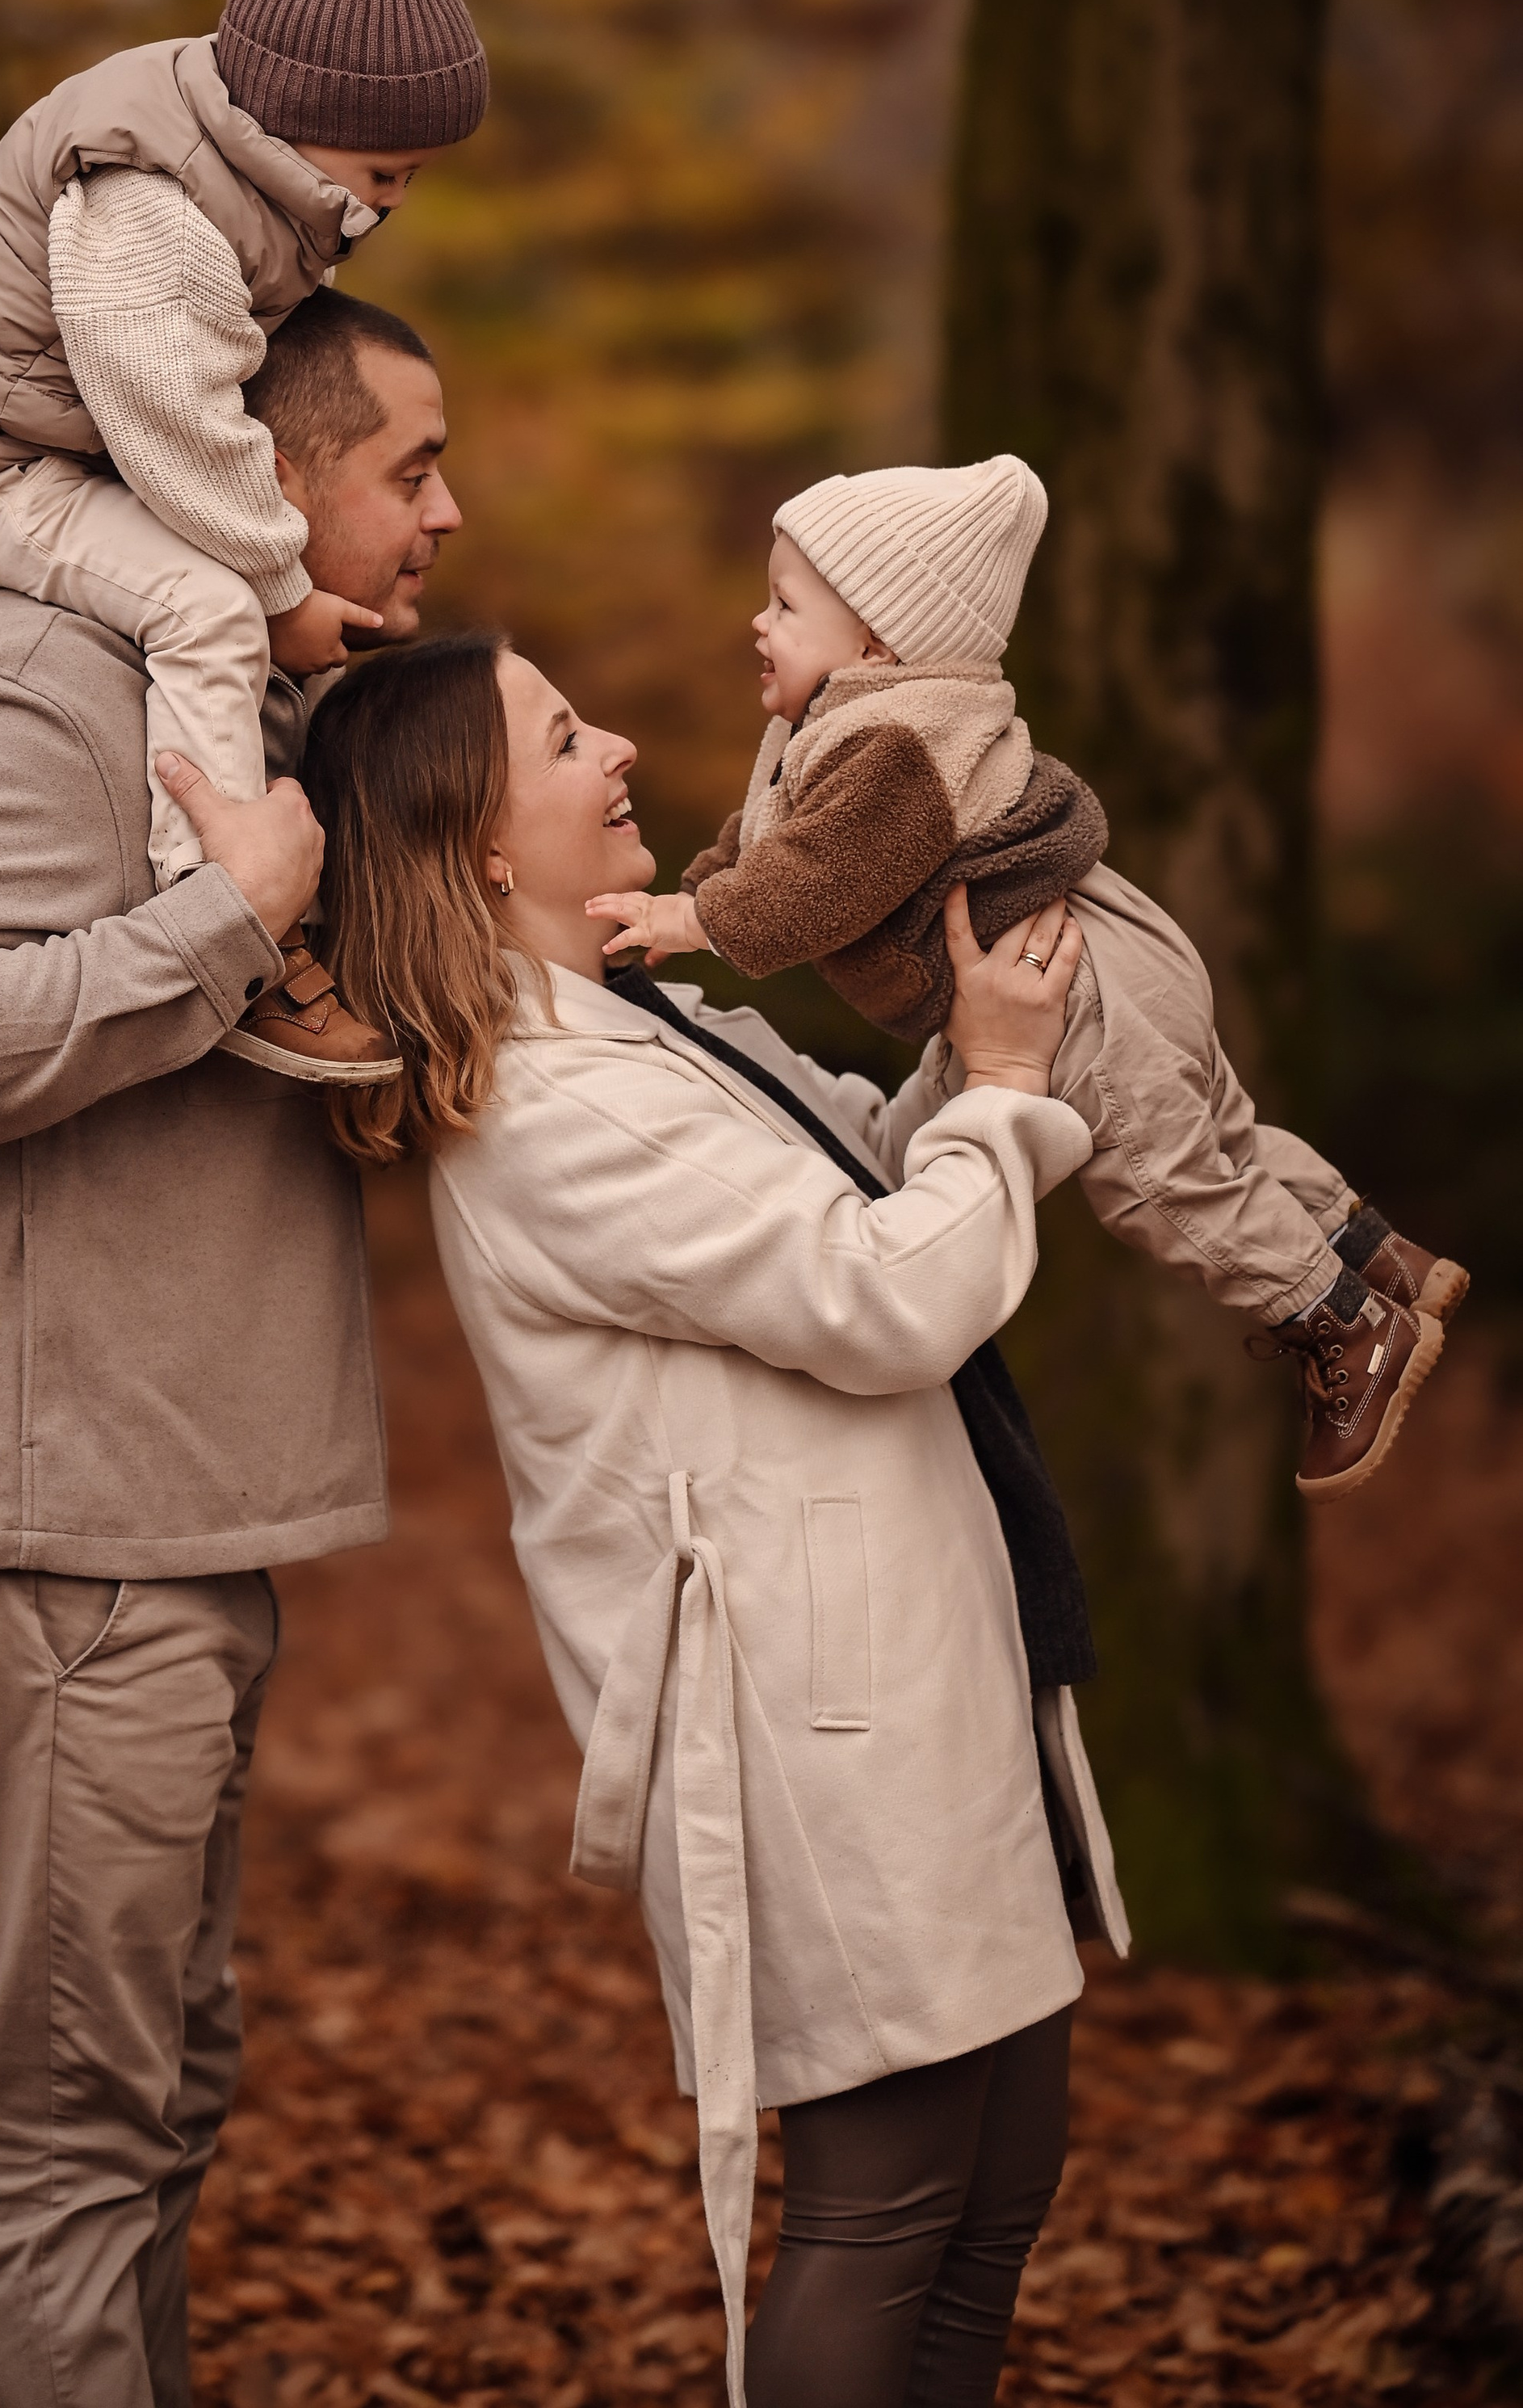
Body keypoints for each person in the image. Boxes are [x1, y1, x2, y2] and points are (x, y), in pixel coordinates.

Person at [0, 288, 459, 2408]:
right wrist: (231, 913)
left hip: (129, 1531)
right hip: (41, 1544)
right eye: (409, 466)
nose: (447, 513)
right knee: (71, 2148)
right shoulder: (33, 686)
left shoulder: (201, 690)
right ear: (257, 472)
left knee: (138, 2118)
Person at [300, 629, 1131, 2408]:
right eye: (557, 733)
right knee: (885, 2204)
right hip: (810, 1718)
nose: (614, 747)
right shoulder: (548, 1105)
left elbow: (874, 1183)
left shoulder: (650, 1019)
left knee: (991, 2196)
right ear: (479, 847)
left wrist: (984, 1048)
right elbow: (891, 1293)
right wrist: (996, 1086)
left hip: (918, 1663)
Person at [589, 458, 1469, 1502]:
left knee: (1159, 1180)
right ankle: (1375, 1253)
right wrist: (688, 898)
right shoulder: (857, 723)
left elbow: (813, 882)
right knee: (1212, 1138)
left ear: (877, 639)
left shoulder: (895, 746)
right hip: (1110, 944)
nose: (757, 621)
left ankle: (1343, 1321)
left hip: (1074, 993)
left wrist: (691, 920)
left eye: (784, 604)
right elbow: (764, 844)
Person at [0, 0, 488, 1082]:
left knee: (212, 589)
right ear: (299, 119)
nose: (394, 201)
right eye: (387, 171)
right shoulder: (151, 207)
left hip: (61, 444)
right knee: (203, 606)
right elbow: (177, 424)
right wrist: (279, 587)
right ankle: (232, 917)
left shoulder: (239, 155)